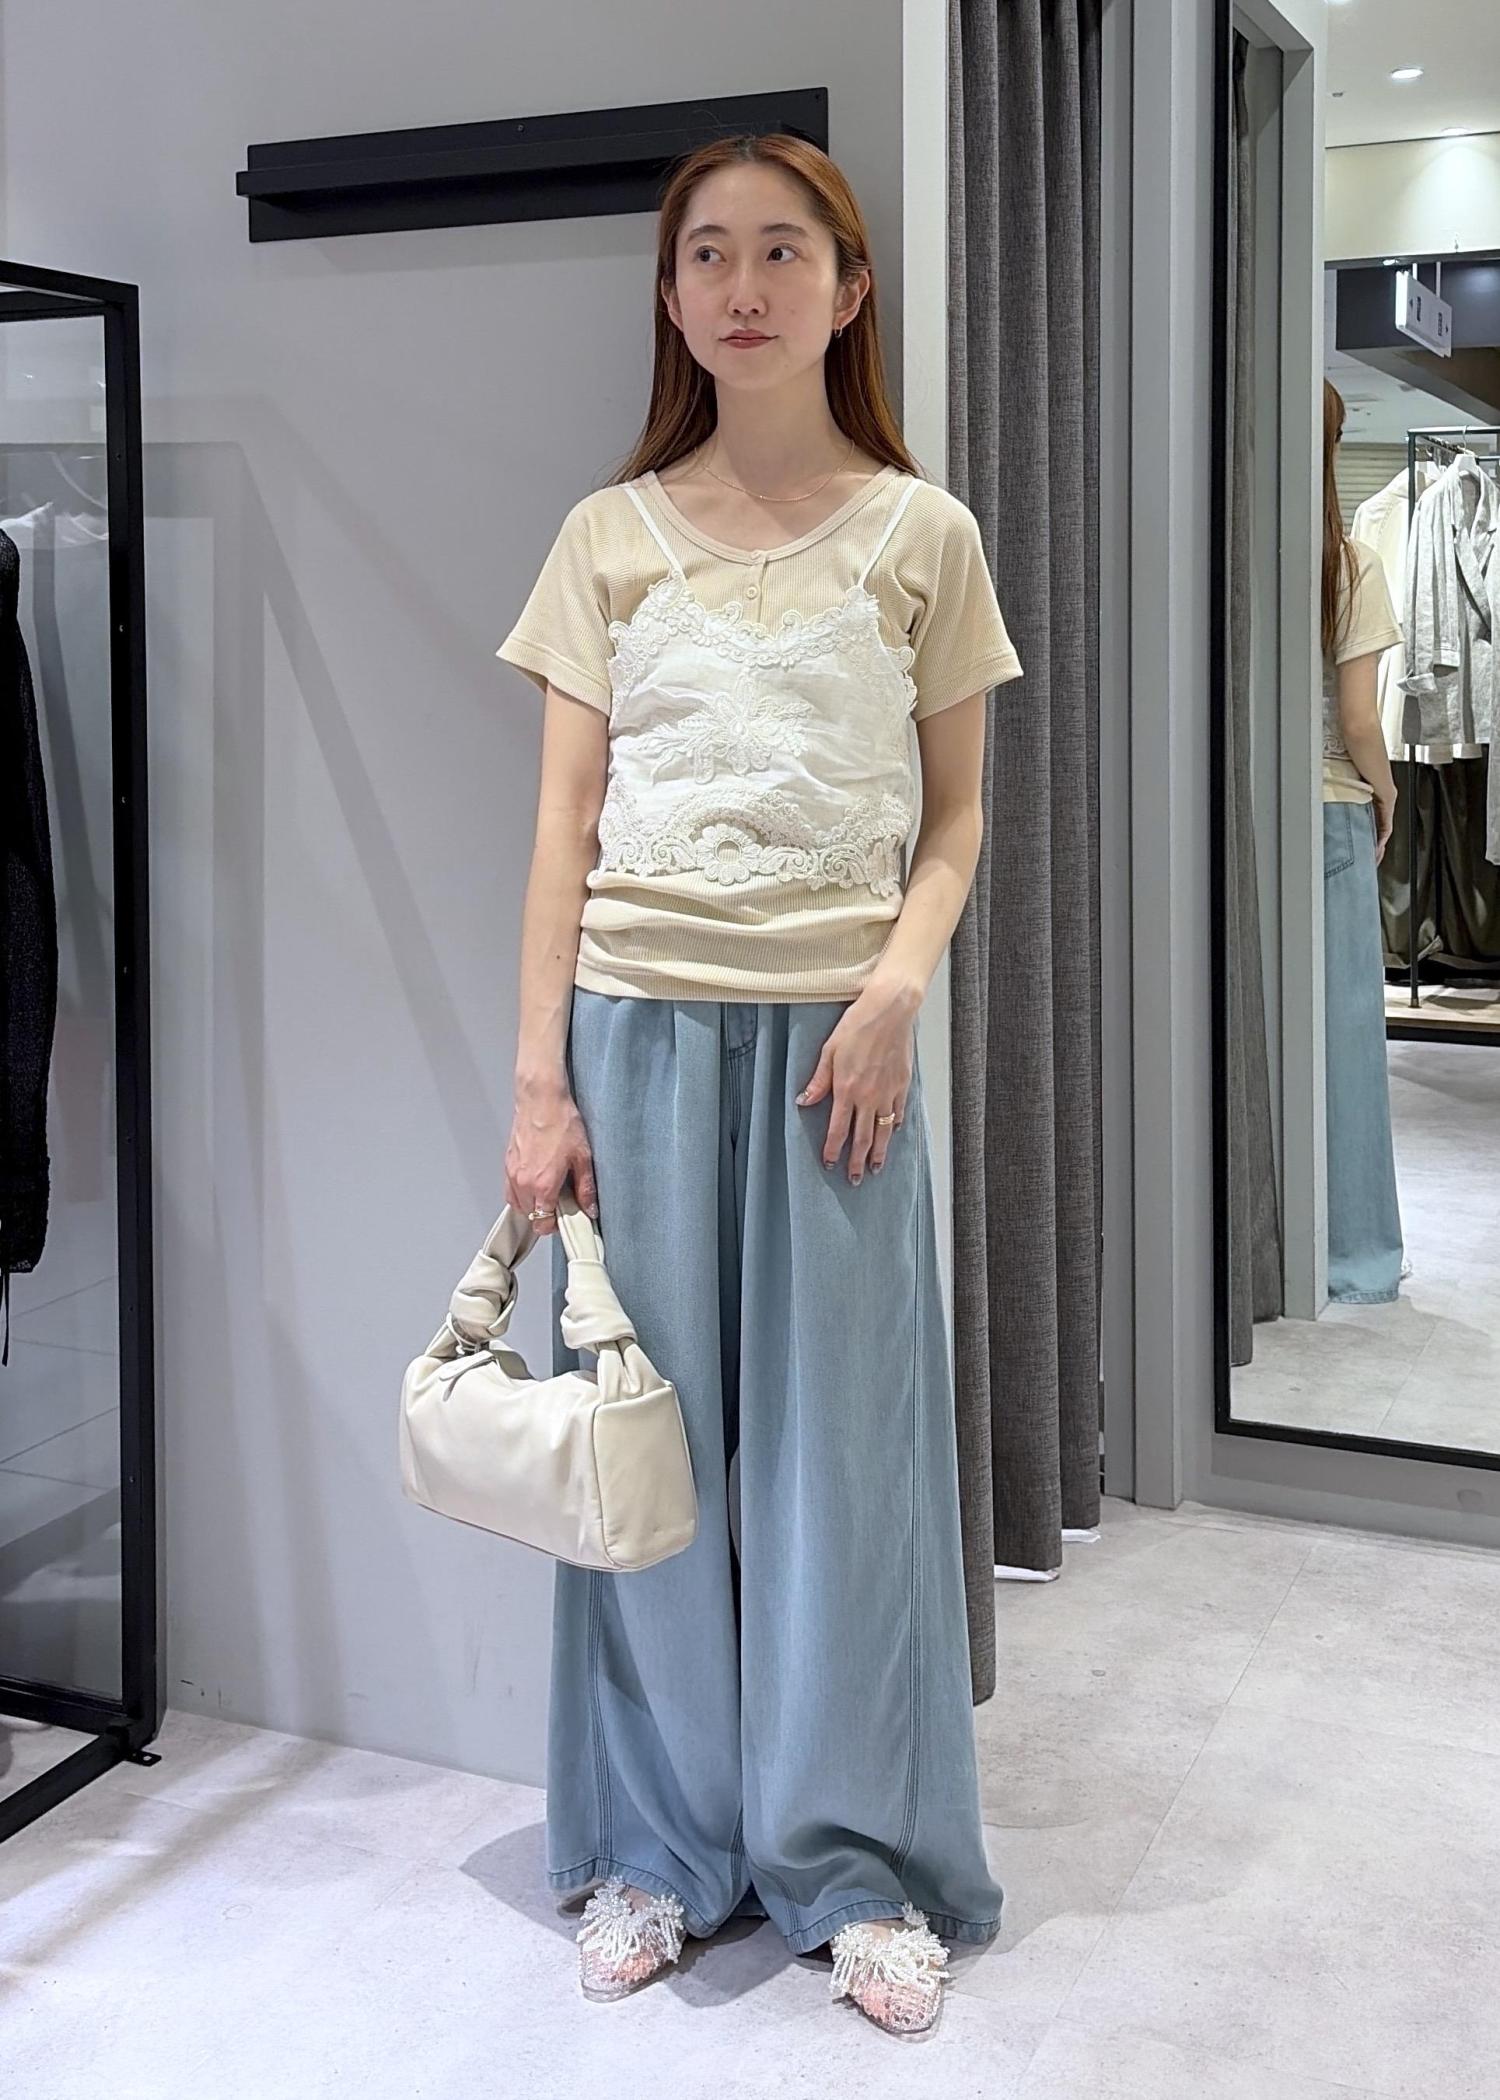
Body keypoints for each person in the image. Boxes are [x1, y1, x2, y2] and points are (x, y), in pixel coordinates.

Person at [494, 132, 1023, 2039]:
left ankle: (853, 1861)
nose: (743, 285)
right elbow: (561, 830)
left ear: (848, 288)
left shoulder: (923, 534)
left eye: (782, 251)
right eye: (707, 253)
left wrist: (893, 992)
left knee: (843, 1477)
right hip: (633, 1035)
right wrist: (538, 1085)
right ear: (670, 294)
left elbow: (955, 821)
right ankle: (658, 1845)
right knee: (648, 1458)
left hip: (837, 1060)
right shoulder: (606, 536)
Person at [1320, 380, 1406, 1302]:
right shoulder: (1346, 564)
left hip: (1251, 818)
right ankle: (1353, 1251)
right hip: (1332, 812)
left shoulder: (1235, 555)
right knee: (1345, 1040)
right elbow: (1357, 719)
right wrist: (1387, 793)